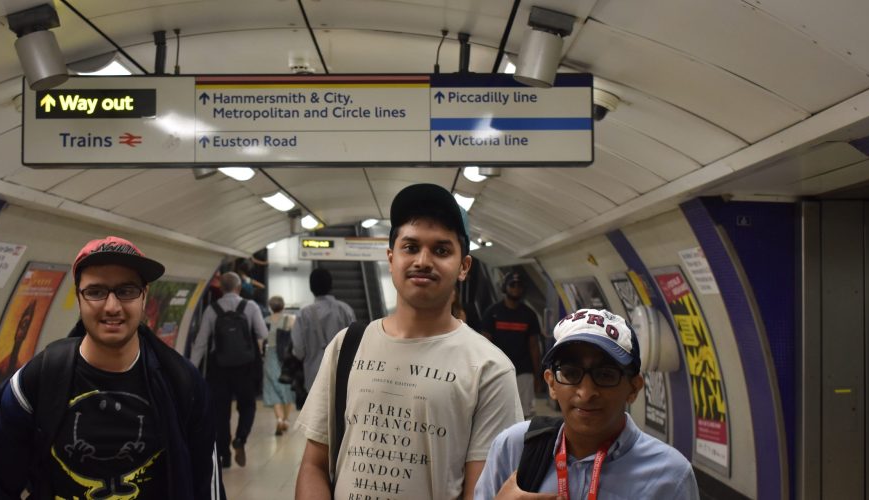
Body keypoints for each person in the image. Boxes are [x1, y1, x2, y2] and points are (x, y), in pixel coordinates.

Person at [294, 183, 523, 500]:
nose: (423, 261)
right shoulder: (348, 345)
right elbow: (314, 465)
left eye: (441, 250)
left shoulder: (489, 368)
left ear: (464, 267)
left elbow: (481, 491)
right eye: (411, 247)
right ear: (391, 258)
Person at [0, 236, 222, 499]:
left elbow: (206, 486)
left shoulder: (182, 382)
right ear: (78, 297)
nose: (112, 307)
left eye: (127, 291)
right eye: (96, 292)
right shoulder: (34, 381)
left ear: (144, 296)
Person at [474, 309, 699, 499]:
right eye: (571, 373)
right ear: (551, 384)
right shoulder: (515, 448)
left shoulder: (670, 475)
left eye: (606, 375)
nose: (586, 392)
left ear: (633, 388)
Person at [190, 271, 268, 468]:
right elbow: (263, 332)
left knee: (220, 411)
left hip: (219, 367)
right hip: (245, 366)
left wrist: (190, 370)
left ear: (221, 288)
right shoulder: (249, 306)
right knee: (248, 406)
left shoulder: (212, 309)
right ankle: (241, 438)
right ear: (239, 287)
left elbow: (200, 342)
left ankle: (224, 454)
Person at [482, 271, 543, 418]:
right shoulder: (493, 312)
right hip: (498, 370)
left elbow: (534, 346)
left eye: (519, 286)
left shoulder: (529, 315)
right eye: (512, 285)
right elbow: (484, 343)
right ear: (505, 287)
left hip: (523, 371)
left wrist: (537, 375)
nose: (516, 288)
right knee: (499, 411)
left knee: (524, 413)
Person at [290, 268, 355, 392]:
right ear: (331, 285)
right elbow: (355, 343)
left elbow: (298, 350)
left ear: (311, 288)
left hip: (313, 376)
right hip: (342, 375)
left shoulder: (303, 314)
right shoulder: (346, 310)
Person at [263, 295, 297, 435]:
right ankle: (286, 419)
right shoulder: (290, 319)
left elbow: (261, 341)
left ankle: (279, 419)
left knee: (273, 389)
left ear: (270, 307)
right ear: (283, 306)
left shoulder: (265, 321)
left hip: (270, 356)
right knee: (287, 388)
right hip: (285, 357)